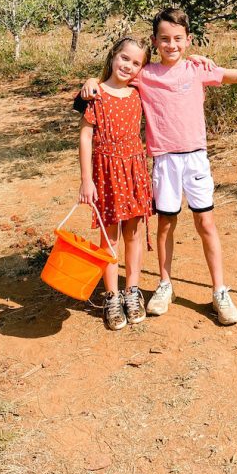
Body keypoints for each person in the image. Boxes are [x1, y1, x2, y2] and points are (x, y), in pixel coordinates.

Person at [81, 8, 237, 325]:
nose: (171, 45)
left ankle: (220, 291)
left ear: (188, 41)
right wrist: (90, 81)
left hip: (196, 159)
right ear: (155, 41)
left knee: (206, 223)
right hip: (163, 160)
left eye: (178, 39)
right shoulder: (144, 73)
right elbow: (114, 76)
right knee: (165, 226)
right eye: (164, 39)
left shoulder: (197, 69)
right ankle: (165, 284)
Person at [77, 36, 152, 331]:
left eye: (136, 63)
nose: (129, 66)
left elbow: (165, 74)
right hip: (106, 174)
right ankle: (110, 296)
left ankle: (132, 291)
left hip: (134, 170)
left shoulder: (138, 92)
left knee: (134, 232)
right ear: (113, 56)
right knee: (109, 238)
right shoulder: (96, 94)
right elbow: (85, 136)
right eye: (125, 58)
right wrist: (86, 179)